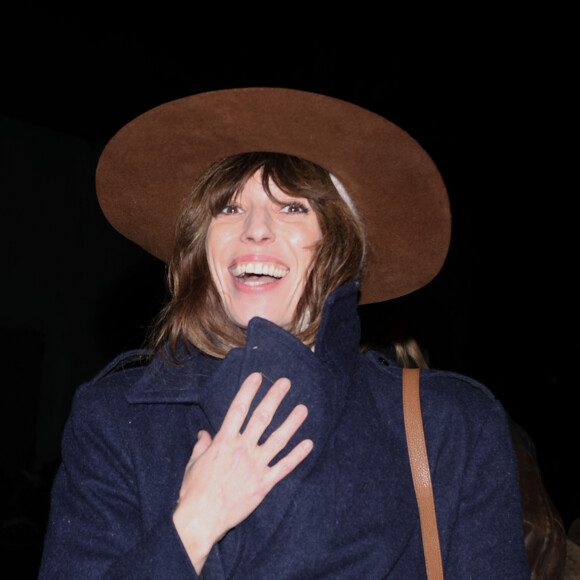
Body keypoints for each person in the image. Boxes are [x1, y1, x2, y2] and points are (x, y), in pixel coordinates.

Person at [39, 88, 530, 578]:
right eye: (228, 208)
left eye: (293, 207)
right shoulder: (114, 421)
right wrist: (194, 524)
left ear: (338, 245)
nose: (255, 228)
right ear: (198, 248)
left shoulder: (449, 426)